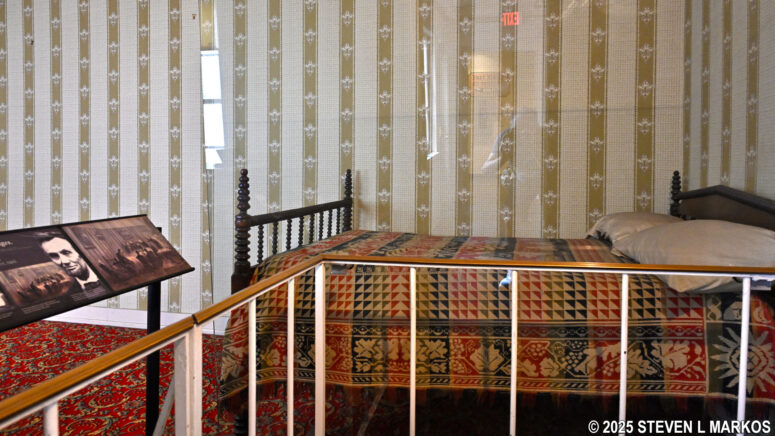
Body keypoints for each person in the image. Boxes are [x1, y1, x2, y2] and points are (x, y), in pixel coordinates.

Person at [38, 234, 108, 300]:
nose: (64, 261)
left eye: (67, 252)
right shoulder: (68, 297)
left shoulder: (111, 273)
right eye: (54, 256)